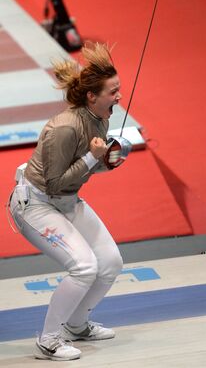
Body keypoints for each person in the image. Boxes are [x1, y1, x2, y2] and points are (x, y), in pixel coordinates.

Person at [8, 43, 126, 361]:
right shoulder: (64, 128)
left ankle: (76, 325)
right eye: (113, 92)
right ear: (92, 96)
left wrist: (108, 160)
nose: (119, 97)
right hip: (35, 205)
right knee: (84, 267)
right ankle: (49, 339)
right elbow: (56, 182)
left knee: (111, 262)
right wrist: (93, 157)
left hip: (67, 202)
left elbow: (79, 175)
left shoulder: (100, 118)